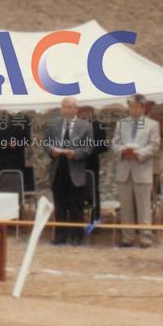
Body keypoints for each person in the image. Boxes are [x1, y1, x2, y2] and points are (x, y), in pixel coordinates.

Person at [112, 93, 161, 247]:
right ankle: (128, 237)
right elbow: (115, 142)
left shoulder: (152, 125)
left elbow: (154, 146)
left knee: (144, 206)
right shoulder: (121, 124)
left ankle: (145, 238)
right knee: (125, 206)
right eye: (130, 107)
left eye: (135, 107)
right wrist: (122, 151)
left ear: (142, 107)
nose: (132, 110)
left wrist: (138, 153)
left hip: (142, 169)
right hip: (124, 169)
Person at [43, 96, 92, 246]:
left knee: (76, 206)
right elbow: (46, 143)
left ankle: (77, 236)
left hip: (75, 170)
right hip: (58, 170)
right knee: (60, 206)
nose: (67, 109)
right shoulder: (53, 125)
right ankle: (60, 236)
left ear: (76, 109)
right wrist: (52, 151)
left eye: (70, 107)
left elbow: (88, 148)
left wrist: (75, 154)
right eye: (64, 106)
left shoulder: (85, 126)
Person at [77, 105, 110, 223]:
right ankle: (77, 220)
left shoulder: (97, 125)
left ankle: (95, 221)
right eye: (80, 110)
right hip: (75, 165)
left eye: (85, 110)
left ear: (91, 111)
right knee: (76, 192)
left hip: (91, 164)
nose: (82, 113)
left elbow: (103, 147)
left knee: (93, 192)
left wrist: (89, 150)